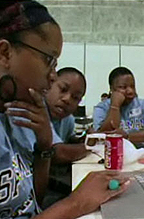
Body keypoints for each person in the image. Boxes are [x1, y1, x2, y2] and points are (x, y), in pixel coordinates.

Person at [0, 1, 130, 218]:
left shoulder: (15, 110)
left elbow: (30, 202)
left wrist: (44, 147)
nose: (53, 75)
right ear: (5, 53)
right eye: (49, 60)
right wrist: (76, 203)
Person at [43, 67, 89, 206]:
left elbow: (69, 140)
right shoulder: (40, 111)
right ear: (49, 85)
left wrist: (84, 138)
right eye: (63, 89)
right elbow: (58, 153)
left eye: (75, 98)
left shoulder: (67, 118)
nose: (67, 99)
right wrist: (91, 146)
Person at [93, 66, 144, 143]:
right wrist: (115, 105)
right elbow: (104, 136)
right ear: (112, 89)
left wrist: (127, 136)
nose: (130, 91)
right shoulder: (101, 108)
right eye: (123, 87)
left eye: (132, 86)